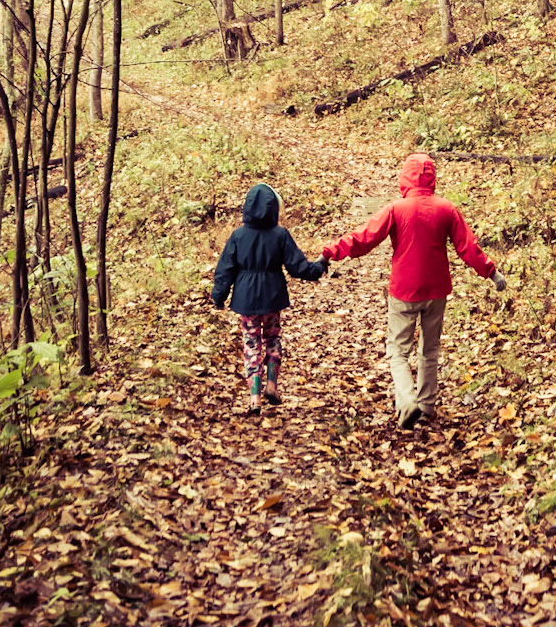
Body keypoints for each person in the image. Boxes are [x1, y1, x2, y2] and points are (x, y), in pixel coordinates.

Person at [321, 152, 506, 429]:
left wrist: (331, 252)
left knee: (398, 350)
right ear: (432, 177)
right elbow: (467, 247)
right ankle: (427, 405)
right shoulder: (447, 209)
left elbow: (365, 237)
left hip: (404, 290)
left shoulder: (397, 209)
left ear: (405, 176)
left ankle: (407, 401)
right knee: (429, 349)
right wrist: (491, 272)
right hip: (436, 290)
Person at [211, 182, 328, 417]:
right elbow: (297, 266)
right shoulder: (280, 235)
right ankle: (272, 384)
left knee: (251, 342)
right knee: (273, 338)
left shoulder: (238, 236)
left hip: (246, 301)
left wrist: (218, 296)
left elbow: (226, 269)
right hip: (273, 298)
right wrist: (319, 267)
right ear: (274, 208)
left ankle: (254, 397)